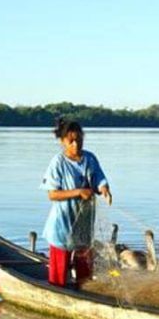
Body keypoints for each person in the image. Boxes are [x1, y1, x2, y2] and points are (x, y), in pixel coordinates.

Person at [40, 118, 112, 287]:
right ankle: (57, 292)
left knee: (85, 266)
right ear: (62, 141)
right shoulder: (58, 162)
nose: (75, 145)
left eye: (79, 140)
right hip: (63, 224)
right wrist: (79, 192)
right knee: (58, 272)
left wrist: (104, 189)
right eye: (71, 141)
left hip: (84, 222)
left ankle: (85, 292)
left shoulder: (90, 158)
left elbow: (99, 179)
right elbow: (52, 194)